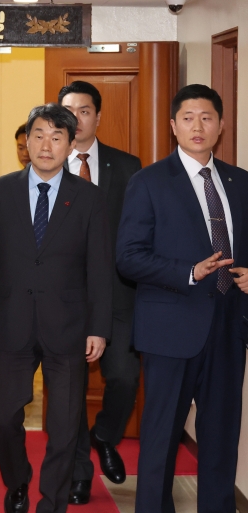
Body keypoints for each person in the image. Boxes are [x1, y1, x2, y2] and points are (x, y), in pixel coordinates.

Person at [117, 84, 248, 513]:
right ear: (173, 126)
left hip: (229, 327)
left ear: (221, 126)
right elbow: (129, 258)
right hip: (170, 330)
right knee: (160, 441)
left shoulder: (240, 182)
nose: (198, 126)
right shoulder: (149, 182)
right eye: (188, 118)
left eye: (207, 117)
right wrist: (188, 273)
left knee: (221, 438)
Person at [0, 103, 112, 513]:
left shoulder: (90, 198)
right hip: (12, 325)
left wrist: (99, 327)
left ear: (71, 143)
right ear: (25, 141)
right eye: (38, 135)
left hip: (69, 327)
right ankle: (18, 479)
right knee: (3, 418)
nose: (46, 145)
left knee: (63, 428)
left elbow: (99, 268)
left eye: (57, 137)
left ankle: (51, 503)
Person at [58, 80, 142, 504]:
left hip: (117, 294)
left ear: (98, 115)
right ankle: (78, 474)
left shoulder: (128, 167)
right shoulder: (47, 165)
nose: (77, 118)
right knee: (69, 389)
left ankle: (105, 434)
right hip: (65, 299)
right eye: (68, 111)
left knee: (125, 376)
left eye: (85, 110)